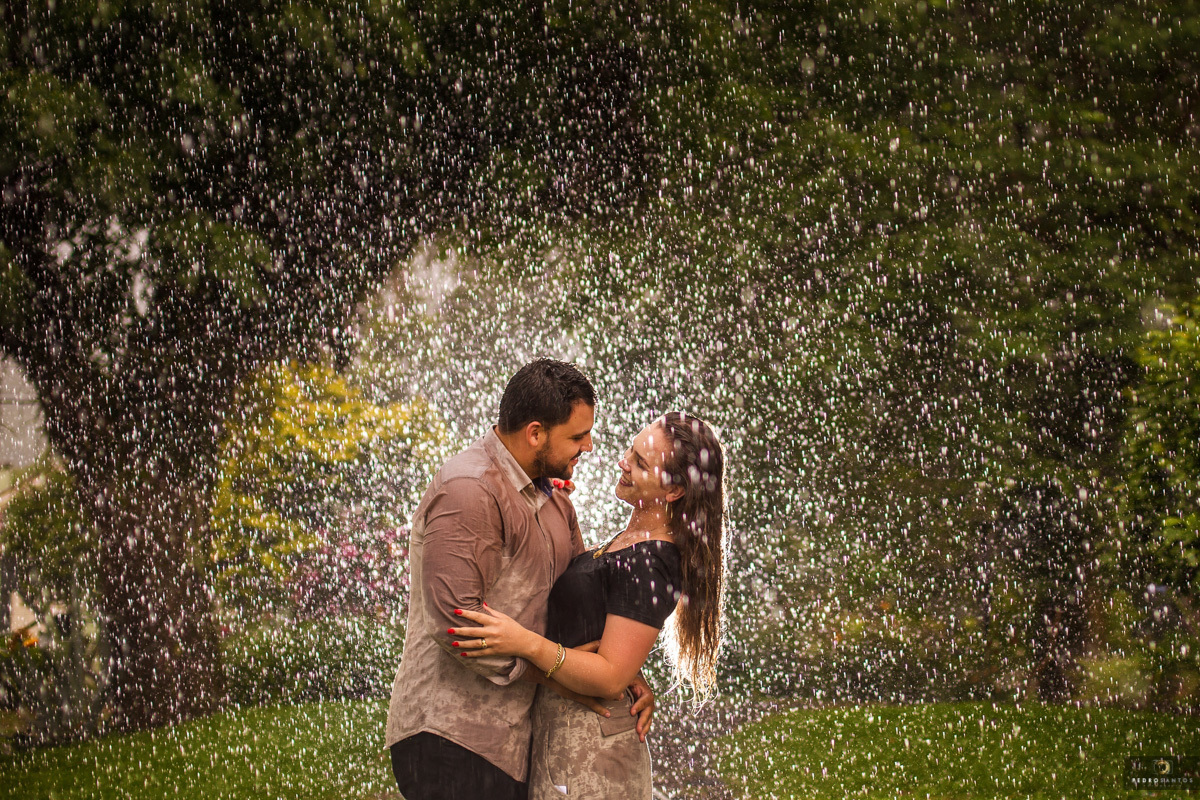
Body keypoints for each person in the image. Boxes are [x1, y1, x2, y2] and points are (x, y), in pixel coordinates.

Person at [385, 359, 654, 800]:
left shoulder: (554, 500)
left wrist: (620, 671)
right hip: (451, 737)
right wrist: (554, 674)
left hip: (512, 743)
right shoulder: (470, 489)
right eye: (577, 436)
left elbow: (575, 601)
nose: (589, 446)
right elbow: (456, 624)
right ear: (535, 434)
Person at [451, 411, 727, 799]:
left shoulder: (652, 560)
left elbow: (610, 677)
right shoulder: (628, 543)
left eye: (640, 463)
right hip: (570, 734)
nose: (623, 462)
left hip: (594, 745)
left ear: (674, 491)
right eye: (631, 451)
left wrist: (523, 643)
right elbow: (603, 641)